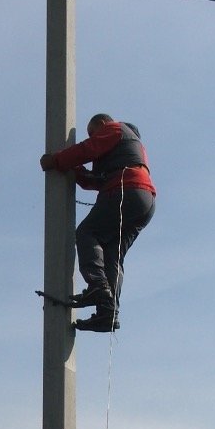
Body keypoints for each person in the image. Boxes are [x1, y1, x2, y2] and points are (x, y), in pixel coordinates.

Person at [40, 113, 156, 332]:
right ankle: (107, 313)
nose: (93, 136)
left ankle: (97, 286)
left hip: (127, 191)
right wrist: (72, 168)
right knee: (112, 254)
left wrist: (56, 160)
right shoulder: (126, 149)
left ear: (102, 124)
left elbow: (87, 149)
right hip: (143, 200)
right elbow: (95, 180)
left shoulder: (115, 129)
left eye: (93, 132)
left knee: (87, 232)